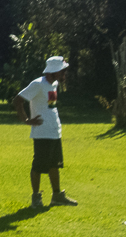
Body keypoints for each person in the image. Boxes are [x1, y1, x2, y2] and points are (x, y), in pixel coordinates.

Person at [12, 56, 78, 208]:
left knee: (54, 165)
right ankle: (36, 198)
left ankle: (57, 196)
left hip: (54, 132)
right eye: (62, 72)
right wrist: (26, 120)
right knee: (39, 166)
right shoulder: (38, 84)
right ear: (53, 71)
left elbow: (50, 107)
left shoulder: (54, 84)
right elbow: (17, 100)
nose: (64, 75)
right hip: (42, 133)